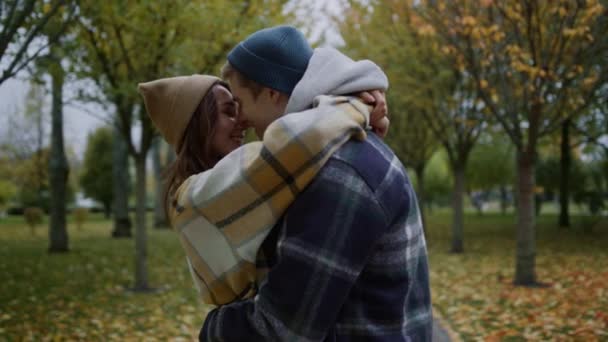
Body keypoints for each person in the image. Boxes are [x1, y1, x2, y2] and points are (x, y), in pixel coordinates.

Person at [195, 25, 433, 341]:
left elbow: (280, 331)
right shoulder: (326, 154)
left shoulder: (339, 171)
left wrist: (212, 328)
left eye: (239, 103)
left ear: (271, 93)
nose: (239, 120)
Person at [139, 71, 388, 309]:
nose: (242, 122)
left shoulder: (226, 183)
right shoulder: (196, 195)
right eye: (228, 112)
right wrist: (357, 106)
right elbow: (299, 142)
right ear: (198, 124)